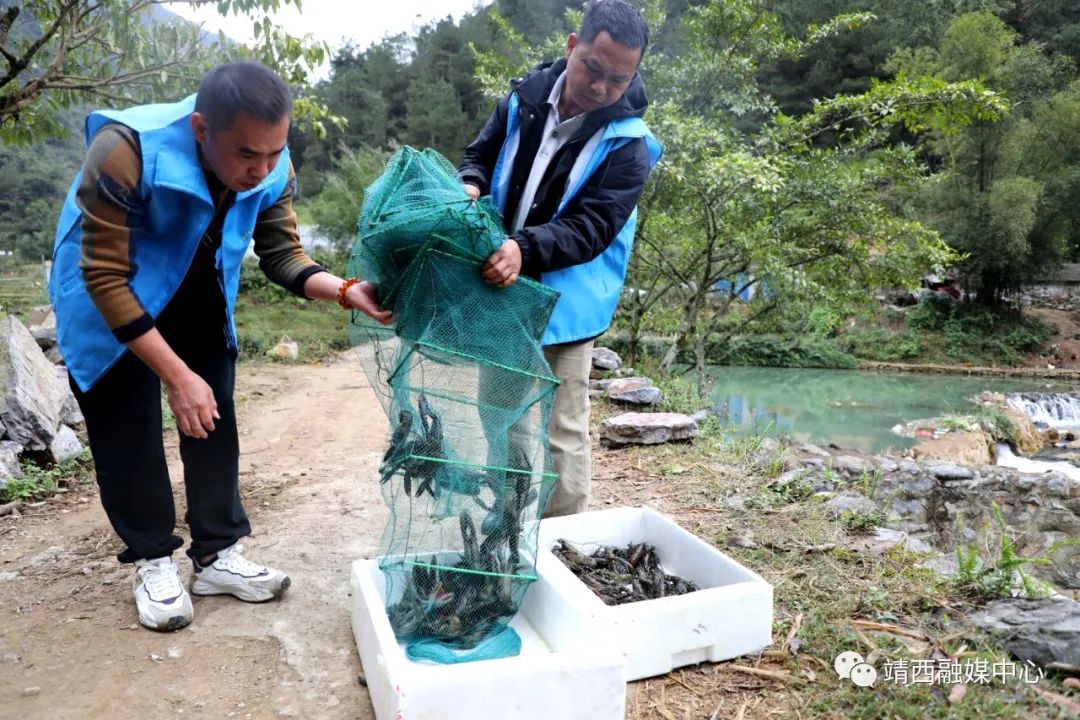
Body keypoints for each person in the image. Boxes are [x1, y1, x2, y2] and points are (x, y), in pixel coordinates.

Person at [49, 62, 391, 631]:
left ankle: (215, 556)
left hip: (195, 288)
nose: (261, 170)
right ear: (203, 129)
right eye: (246, 155)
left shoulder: (271, 163)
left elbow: (282, 255)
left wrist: (348, 290)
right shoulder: (124, 150)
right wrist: (175, 377)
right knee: (126, 423)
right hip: (108, 295)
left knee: (213, 414)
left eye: (273, 153)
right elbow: (105, 277)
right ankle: (154, 559)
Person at [459, 0, 661, 517]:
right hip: (502, 293)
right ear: (573, 45)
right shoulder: (522, 99)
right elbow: (480, 154)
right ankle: (507, 528)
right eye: (593, 67)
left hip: (566, 307)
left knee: (562, 430)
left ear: (633, 74)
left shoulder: (629, 146)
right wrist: (471, 184)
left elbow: (592, 228)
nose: (600, 87)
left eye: (617, 80)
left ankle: (562, 541)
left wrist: (522, 249)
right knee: (500, 415)